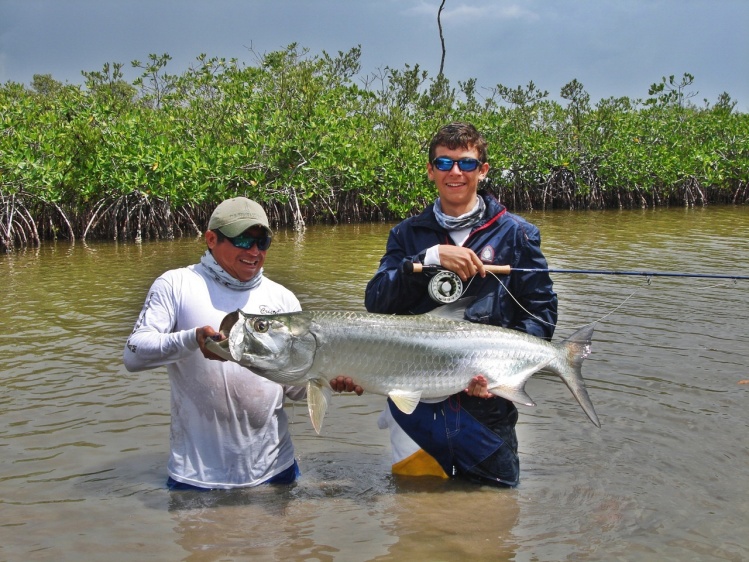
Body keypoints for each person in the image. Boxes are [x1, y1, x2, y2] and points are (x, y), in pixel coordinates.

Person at [365, 122, 558, 487]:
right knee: (414, 515)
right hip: (416, 409)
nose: (456, 173)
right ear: (430, 170)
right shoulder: (406, 235)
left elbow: (540, 314)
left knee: (493, 518)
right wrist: (429, 256)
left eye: (467, 164)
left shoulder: (517, 234)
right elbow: (377, 302)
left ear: (482, 171)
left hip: (487, 409)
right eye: (444, 163)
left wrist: (503, 370)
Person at [124, 196, 358, 490]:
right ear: (211, 239)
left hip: (278, 472)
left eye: (263, 242)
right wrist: (193, 340)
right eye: (243, 241)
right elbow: (134, 353)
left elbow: (294, 390)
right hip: (196, 479)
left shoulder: (282, 298)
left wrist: (328, 378)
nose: (255, 251)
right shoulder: (176, 284)